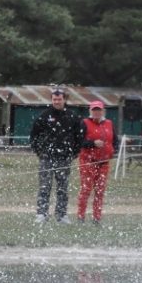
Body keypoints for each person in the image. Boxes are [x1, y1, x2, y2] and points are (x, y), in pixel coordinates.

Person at [29, 87, 83, 223]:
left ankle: (61, 215)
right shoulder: (45, 115)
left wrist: (73, 153)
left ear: (64, 99)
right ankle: (42, 213)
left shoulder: (72, 117)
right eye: (54, 99)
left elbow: (79, 137)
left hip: (64, 158)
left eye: (59, 99)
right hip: (46, 157)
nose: (57, 101)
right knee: (44, 186)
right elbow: (34, 135)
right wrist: (39, 151)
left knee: (62, 188)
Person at [77, 100, 119, 223]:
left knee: (100, 191)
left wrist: (112, 151)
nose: (96, 112)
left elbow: (115, 140)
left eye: (99, 110)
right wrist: (92, 143)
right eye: (94, 110)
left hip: (104, 163)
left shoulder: (109, 123)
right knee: (86, 190)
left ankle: (97, 218)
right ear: (90, 111)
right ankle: (81, 216)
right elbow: (79, 141)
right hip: (88, 162)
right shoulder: (84, 123)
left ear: (103, 111)